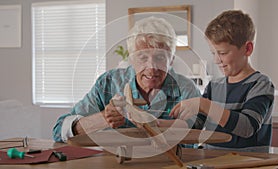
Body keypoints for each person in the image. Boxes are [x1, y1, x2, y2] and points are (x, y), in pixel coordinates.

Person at [52, 16, 201, 143]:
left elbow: (199, 133)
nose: (152, 67)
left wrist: (156, 125)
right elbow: (59, 131)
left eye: (160, 57)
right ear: (131, 59)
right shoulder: (109, 83)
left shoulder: (186, 89)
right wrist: (104, 118)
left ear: (172, 60)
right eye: (143, 58)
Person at [170, 10, 275, 152]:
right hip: (213, 161)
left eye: (223, 53)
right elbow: (196, 124)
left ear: (247, 49)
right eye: (213, 53)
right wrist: (158, 124)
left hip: (249, 164)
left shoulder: (260, 84)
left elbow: (247, 127)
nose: (216, 60)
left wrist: (204, 105)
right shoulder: (214, 86)